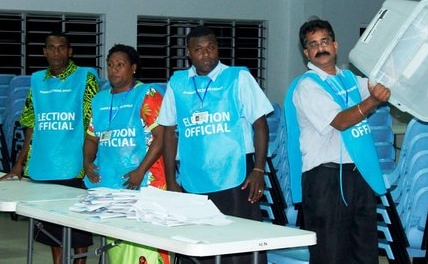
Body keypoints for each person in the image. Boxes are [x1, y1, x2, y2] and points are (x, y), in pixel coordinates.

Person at [157, 26, 273, 264]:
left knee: (240, 244)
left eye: (211, 48)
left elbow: (260, 124)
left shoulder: (238, 77)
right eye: (198, 50)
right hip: (193, 177)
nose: (206, 54)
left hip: (236, 176)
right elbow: (169, 132)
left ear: (218, 48)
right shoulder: (177, 83)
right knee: (198, 243)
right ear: (189, 52)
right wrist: (170, 180)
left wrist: (259, 169)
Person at [284, 18, 391, 264]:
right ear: (306, 53)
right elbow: (341, 121)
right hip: (325, 179)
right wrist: (373, 101)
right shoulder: (307, 87)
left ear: (336, 45)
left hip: (359, 174)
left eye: (325, 41)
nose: (320, 48)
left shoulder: (350, 79)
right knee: (330, 254)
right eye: (313, 44)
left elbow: (382, 84)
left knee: (364, 251)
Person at [0, 31, 99, 264]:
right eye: (51, 47)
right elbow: (31, 125)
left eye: (61, 47)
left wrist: (88, 159)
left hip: (74, 166)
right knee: (51, 230)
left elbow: (91, 123)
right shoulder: (36, 80)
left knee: (77, 229)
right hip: (43, 166)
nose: (56, 52)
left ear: (70, 51)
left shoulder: (86, 78)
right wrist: (18, 165)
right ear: (44, 52)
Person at [83, 44, 170, 263]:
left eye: (120, 65)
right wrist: (86, 161)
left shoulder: (147, 94)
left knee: (145, 245)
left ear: (133, 68)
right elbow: (92, 137)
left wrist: (140, 171)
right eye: (110, 65)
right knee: (117, 245)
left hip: (145, 181)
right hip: (111, 184)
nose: (114, 70)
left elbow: (161, 137)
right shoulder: (100, 100)